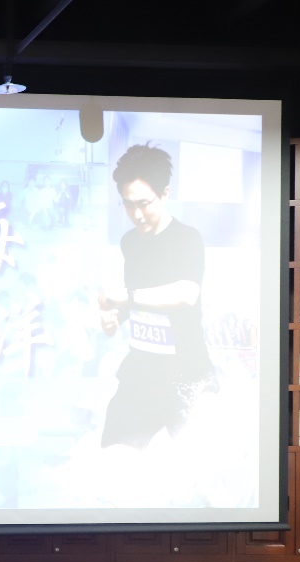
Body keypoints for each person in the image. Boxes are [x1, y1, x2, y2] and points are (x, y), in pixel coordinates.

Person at [98, 144, 216, 450]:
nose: (136, 214)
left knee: (197, 468)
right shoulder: (129, 242)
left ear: (164, 194)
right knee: (112, 456)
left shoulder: (187, 239)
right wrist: (115, 317)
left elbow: (187, 294)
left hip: (185, 374)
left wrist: (126, 297)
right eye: (127, 204)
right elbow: (135, 296)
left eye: (143, 203)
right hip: (140, 371)